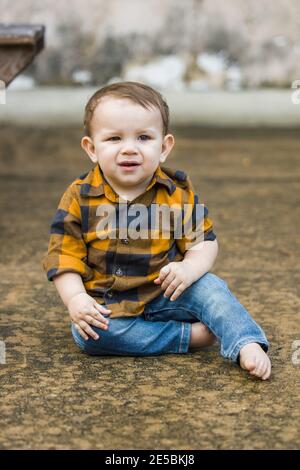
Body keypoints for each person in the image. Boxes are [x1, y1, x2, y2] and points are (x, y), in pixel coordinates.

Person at [43, 81, 271, 380]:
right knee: (87, 334)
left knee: (212, 288)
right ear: (92, 148)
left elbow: (204, 242)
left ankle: (246, 342)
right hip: (110, 304)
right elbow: (63, 257)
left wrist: (189, 269)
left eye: (143, 137)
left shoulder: (175, 192)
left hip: (168, 293)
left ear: (163, 147)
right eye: (113, 138)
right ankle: (187, 338)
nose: (129, 148)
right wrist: (75, 299)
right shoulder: (79, 196)